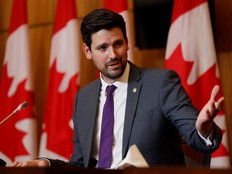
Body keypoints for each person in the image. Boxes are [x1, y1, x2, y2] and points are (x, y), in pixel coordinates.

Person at [12, 8, 223, 169]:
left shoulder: (160, 83)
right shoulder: (83, 98)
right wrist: (46, 164)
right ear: (87, 51)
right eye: (102, 48)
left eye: (118, 44)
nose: (113, 54)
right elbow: (81, 165)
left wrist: (203, 129)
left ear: (127, 42)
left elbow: (199, 141)